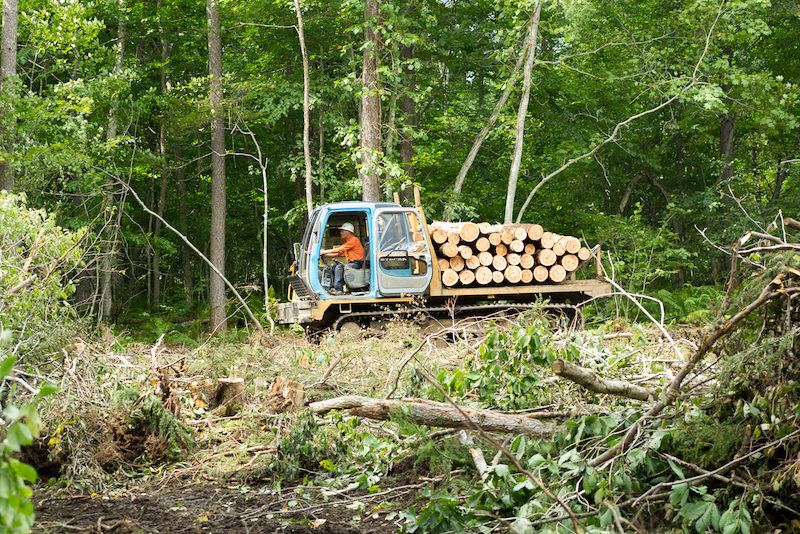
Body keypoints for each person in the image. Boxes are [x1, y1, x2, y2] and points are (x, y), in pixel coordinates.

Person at [321, 222, 364, 293]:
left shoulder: (353, 240)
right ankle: (331, 287)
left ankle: (338, 290)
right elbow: (339, 253)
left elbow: (339, 249)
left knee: (339, 268)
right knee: (333, 267)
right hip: (351, 263)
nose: (340, 233)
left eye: (342, 231)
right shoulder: (348, 241)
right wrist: (325, 254)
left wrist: (324, 251)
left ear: (348, 231)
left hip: (356, 263)